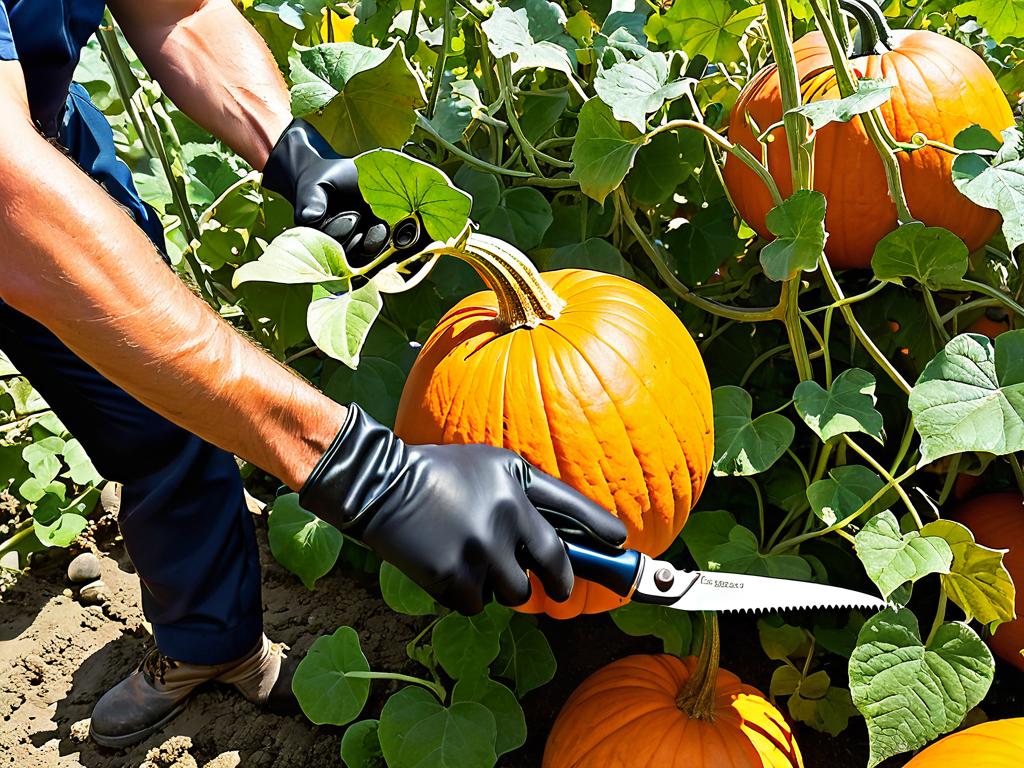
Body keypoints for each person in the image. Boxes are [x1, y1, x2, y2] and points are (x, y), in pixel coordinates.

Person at [0, 0, 628, 748]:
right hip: (14, 185)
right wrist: (367, 471)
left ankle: (210, 641)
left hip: (39, 140)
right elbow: (10, 202)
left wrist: (292, 150)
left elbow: (179, 11)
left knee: (158, 397)